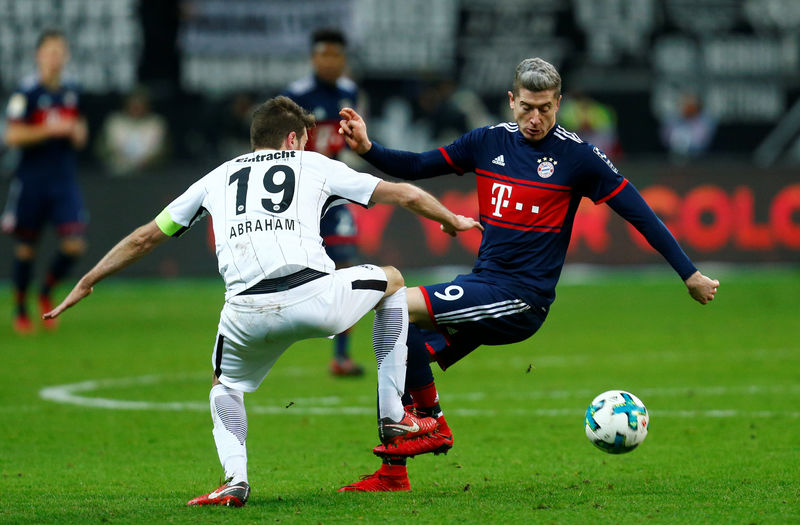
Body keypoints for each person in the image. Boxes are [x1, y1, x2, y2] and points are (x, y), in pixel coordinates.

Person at [43, 96, 482, 507]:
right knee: (393, 281)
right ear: (293, 140)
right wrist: (451, 219)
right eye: (304, 140)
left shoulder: (216, 176)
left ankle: (235, 481)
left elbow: (144, 238)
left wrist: (87, 279)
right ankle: (394, 418)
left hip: (245, 315)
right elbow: (404, 193)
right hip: (315, 297)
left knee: (224, 386)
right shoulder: (312, 164)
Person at [336, 57, 719, 491]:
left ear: (559, 103)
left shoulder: (580, 156)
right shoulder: (487, 142)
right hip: (484, 285)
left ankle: (435, 425)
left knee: (394, 306)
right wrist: (368, 149)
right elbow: (419, 165)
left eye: (546, 109)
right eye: (526, 108)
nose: (535, 119)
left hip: (522, 298)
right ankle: (393, 475)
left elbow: (641, 215)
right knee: (404, 347)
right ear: (511, 101)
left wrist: (689, 274)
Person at [281, 28, 365, 376]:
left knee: (345, 268)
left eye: (336, 56)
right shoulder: (295, 96)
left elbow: (347, 141)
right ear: (313, 58)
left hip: (334, 194)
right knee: (293, 273)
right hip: (299, 196)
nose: (329, 61)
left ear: (343, 59)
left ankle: (341, 356)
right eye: (323, 55)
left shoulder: (350, 92)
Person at [3, 29, 89, 334]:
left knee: (75, 245)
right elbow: (12, 135)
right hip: (31, 181)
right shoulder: (24, 94)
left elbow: (79, 130)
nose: (55, 58)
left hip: (63, 180)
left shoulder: (71, 92)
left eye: (60, 51)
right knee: (26, 248)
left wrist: (77, 132)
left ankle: (46, 290)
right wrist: (51, 130)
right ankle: (21, 308)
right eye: (50, 51)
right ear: (39, 55)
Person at [95, 85, 169, 176]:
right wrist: (117, 158)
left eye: (140, 103)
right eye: (133, 103)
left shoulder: (156, 122)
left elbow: (164, 151)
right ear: (126, 103)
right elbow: (102, 149)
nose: (136, 107)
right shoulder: (115, 121)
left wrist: (150, 161)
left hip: (150, 175)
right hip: (117, 174)